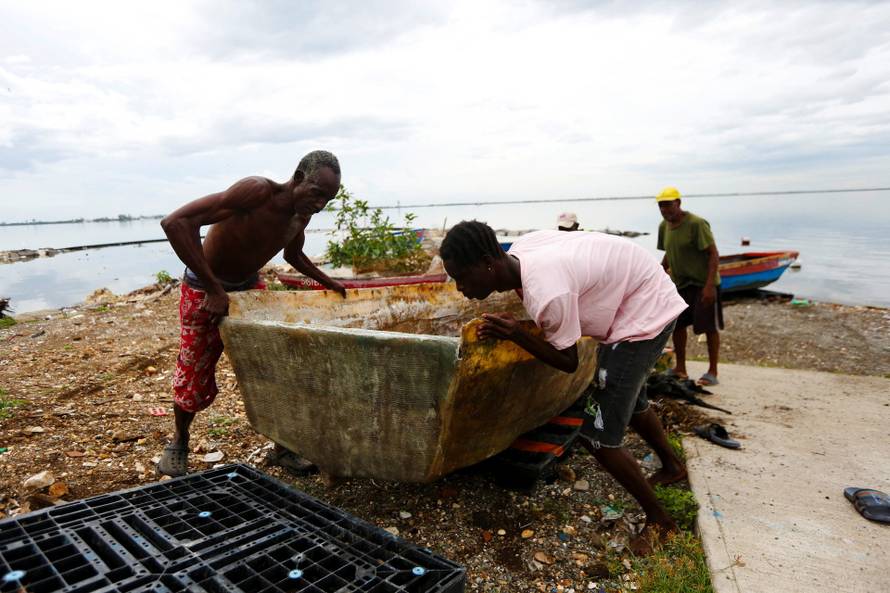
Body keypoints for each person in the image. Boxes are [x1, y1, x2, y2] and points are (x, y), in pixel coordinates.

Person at [440, 220, 688, 552]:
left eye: (462, 278)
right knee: (630, 396)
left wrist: (517, 334)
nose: (460, 288)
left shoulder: (547, 291)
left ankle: (661, 521)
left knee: (597, 437)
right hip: (638, 287)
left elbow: (569, 362)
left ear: (488, 262)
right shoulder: (523, 250)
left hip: (644, 310)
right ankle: (672, 467)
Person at [157, 150, 346, 477]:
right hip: (204, 289)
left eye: (327, 200)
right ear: (298, 178)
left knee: (273, 365)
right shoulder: (256, 192)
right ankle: (179, 442)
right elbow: (176, 223)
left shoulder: (301, 215)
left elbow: (294, 254)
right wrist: (215, 288)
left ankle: (283, 446)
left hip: (249, 290)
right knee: (194, 367)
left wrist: (330, 282)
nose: (319, 205)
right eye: (317, 194)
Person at [656, 187, 722, 386]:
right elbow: (669, 252)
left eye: (668, 204)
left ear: (678, 203)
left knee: (708, 327)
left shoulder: (696, 224)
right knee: (677, 326)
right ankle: (680, 368)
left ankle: (713, 371)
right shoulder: (663, 226)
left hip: (703, 284)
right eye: (661, 205)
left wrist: (709, 286)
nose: (665, 209)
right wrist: (658, 273)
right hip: (680, 284)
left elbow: (713, 254)